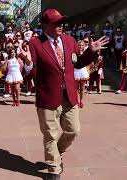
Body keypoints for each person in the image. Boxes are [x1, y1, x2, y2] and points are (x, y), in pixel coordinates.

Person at [27, 9, 108, 180]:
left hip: (69, 95)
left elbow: (77, 64)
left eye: (62, 22)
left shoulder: (70, 40)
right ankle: (54, 168)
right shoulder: (35, 44)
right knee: (50, 134)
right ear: (45, 25)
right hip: (48, 96)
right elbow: (31, 69)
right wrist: (27, 64)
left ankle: (57, 152)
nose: (60, 25)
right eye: (56, 23)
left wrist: (91, 52)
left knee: (73, 130)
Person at [74, 40, 90, 108]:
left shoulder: (86, 53)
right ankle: (76, 101)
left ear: (84, 46)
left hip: (83, 70)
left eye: (82, 45)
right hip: (76, 70)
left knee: (82, 87)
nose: (80, 46)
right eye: (79, 45)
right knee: (76, 87)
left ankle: (81, 101)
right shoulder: (74, 52)